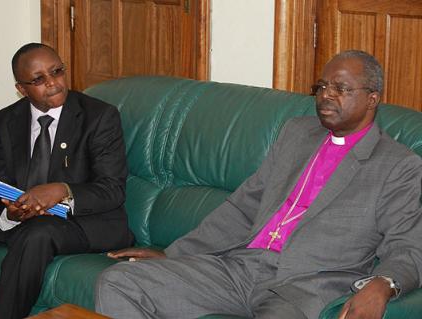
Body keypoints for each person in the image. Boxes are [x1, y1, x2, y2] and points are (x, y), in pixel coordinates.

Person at [95, 50, 422, 319]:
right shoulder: (297, 134)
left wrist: (383, 284)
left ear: (372, 98)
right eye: (321, 87)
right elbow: (243, 206)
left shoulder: (398, 165)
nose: (326, 96)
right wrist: (174, 254)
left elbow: (409, 245)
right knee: (119, 282)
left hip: (303, 289)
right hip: (240, 268)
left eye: (341, 88)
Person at [0, 43, 133, 319]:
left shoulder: (99, 116)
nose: (53, 83)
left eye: (57, 72)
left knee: (38, 232)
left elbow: (113, 189)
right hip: (22, 217)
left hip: (80, 222)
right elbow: (0, 178)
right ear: (22, 88)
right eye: (39, 79)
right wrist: (9, 211)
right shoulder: (6, 120)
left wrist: (61, 190)